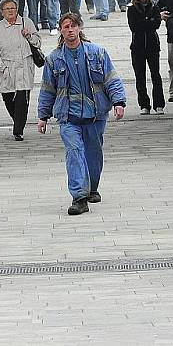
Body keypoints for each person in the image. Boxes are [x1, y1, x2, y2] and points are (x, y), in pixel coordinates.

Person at [37, 13, 126, 215]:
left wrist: (118, 102)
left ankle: (92, 188)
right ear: (60, 30)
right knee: (74, 152)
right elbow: (47, 90)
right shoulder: (53, 60)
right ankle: (79, 197)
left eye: (73, 25)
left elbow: (111, 79)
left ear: (80, 28)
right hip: (68, 117)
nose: (70, 29)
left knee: (93, 153)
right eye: (66, 26)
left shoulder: (98, 53)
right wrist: (43, 116)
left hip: (95, 115)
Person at [0, 0, 41, 141]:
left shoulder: (26, 22)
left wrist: (29, 35)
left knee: (22, 100)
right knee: (8, 99)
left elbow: (38, 42)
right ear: (1, 12)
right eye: (7, 9)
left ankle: (18, 130)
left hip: (24, 66)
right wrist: (2, 68)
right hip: (7, 68)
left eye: (13, 8)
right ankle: (18, 120)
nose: (11, 11)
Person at [127, 0, 165, 115]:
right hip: (137, 47)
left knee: (156, 75)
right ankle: (144, 104)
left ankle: (159, 104)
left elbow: (157, 24)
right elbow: (134, 26)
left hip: (152, 45)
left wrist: (145, 22)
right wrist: (148, 21)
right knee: (140, 76)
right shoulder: (131, 9)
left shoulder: (154, 7)